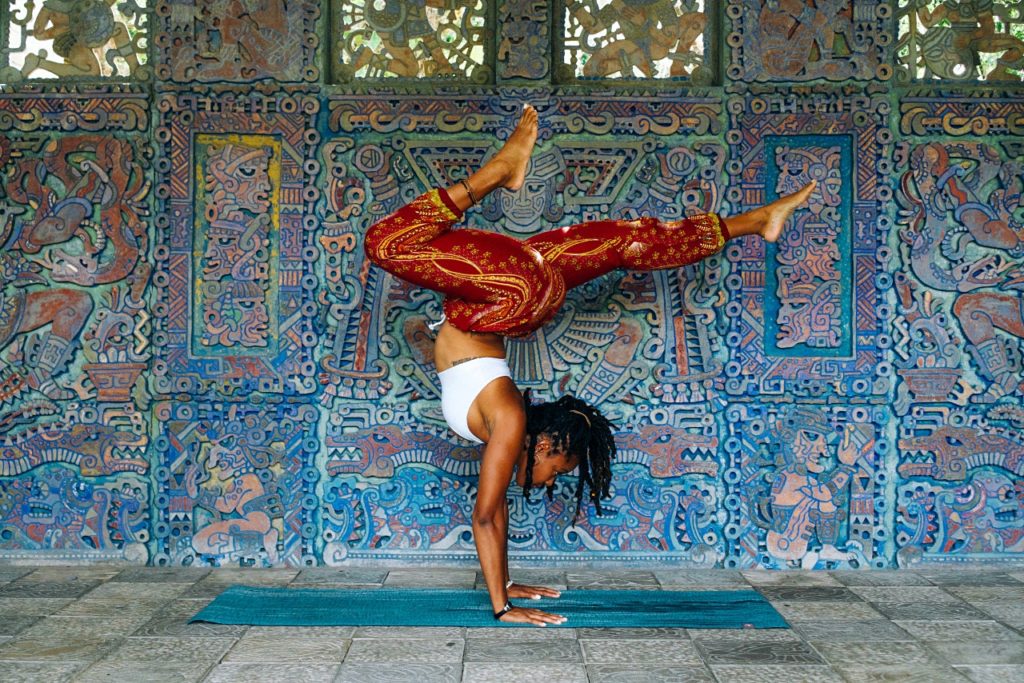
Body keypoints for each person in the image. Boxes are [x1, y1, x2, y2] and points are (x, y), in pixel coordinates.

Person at [364, 104, 815, 626]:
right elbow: (487, 515)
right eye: (561, 470)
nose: (553, 482)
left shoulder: (505, 421)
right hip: (515, 294)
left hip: (511, 293)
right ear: (550, 444)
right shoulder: (507, 420)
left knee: (626, 243)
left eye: (557, 477)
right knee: (388, 244)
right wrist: (502, 605)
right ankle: (501, 171)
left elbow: (494, 512)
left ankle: (754, 221)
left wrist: (503, 583)